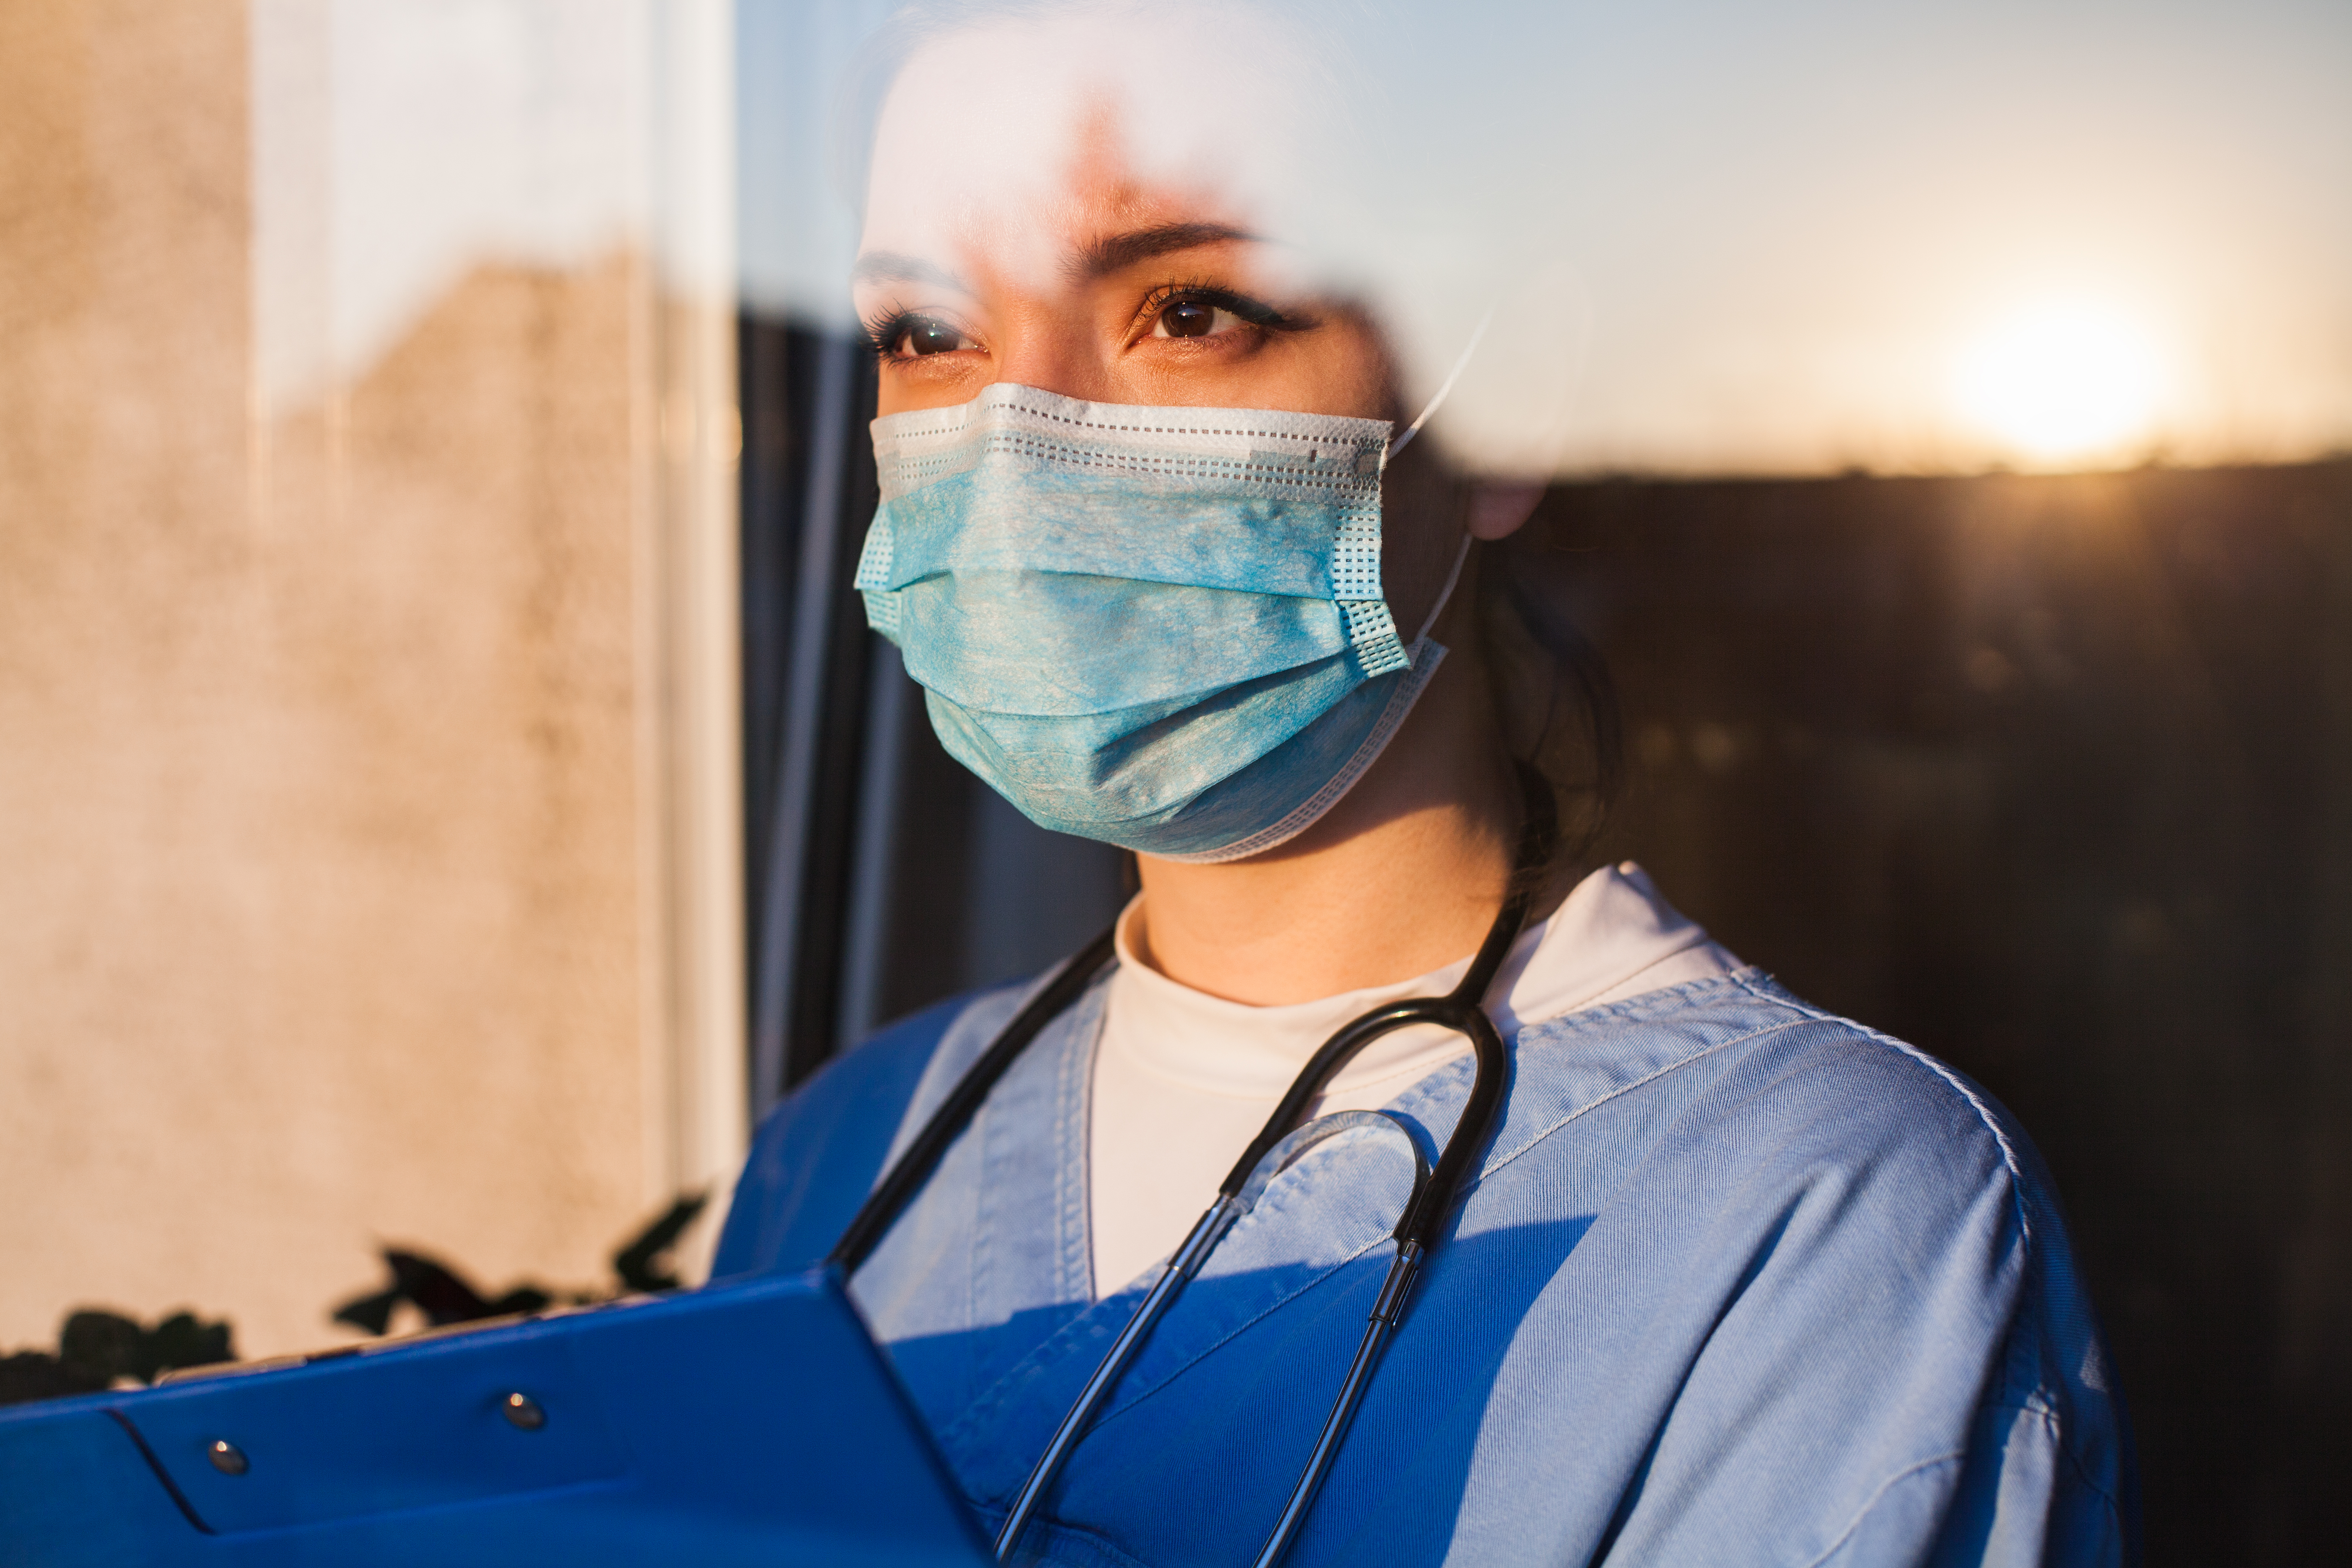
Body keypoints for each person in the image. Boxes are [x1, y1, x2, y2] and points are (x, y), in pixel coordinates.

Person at [714, 4, 2134, 1563]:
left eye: (1192, 308)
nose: (1021, 436)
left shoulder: (1823, 1222)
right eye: (928, 333)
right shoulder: (841, 1161)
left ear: (1509, 394)